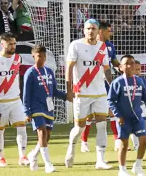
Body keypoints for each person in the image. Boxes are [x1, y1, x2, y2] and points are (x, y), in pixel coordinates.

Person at [64, 18, 113, 169]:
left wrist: (112, 85)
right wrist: (69, 90)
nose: (91, 31)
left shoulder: (102, 47)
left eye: (93, 28)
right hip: (82, 93)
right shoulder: (76, 45)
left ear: (98, 31)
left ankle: (100, 160)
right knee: (79, 128)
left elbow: (106, 68)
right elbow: (69, 68)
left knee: (102, 125)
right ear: (84, 30)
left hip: (99, 93)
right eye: (88, 28)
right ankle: (71, 150)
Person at [107, 55, 146, 176]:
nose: (130, 66)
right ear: (120, 67)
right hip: (123, 118)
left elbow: (145, 97)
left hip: (137, 117)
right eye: (127, 64)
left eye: (132, 63)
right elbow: (110, 100)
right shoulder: (117, 82)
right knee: (124, 145)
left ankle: (138, 165)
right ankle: (122, 169)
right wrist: (118, 115)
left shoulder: (139, 81)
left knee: (144, 140)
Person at [0, 33, 29, 167]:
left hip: (16, 100)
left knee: (22, 127)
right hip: (0, 101)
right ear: (2, 44)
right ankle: (1, 158)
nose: (13, 46)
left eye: (14, 43)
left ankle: (22, 156)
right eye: (10, 44)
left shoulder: (17, 58)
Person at [23, 44, 67, 173]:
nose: (41, 58)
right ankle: (48, 164)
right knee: (42, 132)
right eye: (38, 56)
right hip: (36, 107)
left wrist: (66, 96)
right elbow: (26, 94)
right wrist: (26, 111)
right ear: (33, 56)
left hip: (48, 107)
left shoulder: (49, 71)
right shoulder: (30, 73)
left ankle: (33, 156)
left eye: (43, 56)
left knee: (47, 136)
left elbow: (53, 91)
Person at [82, 21, 121, 153]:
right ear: (101, 32)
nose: (110, 33)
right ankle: (84, 141)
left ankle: (117, 140)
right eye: (108, 31)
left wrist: (120, 66)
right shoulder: (86, 46)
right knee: (89, 116)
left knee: (111, 111)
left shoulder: (109, 46)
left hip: (106, 82)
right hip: (91, 83)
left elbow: (113, 60)